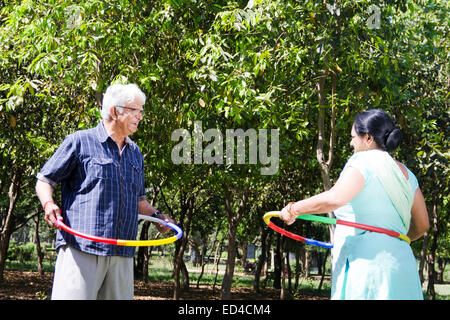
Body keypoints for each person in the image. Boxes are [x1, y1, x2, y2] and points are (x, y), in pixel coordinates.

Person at [35, 83, 174, 300]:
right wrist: (48, 204)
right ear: (114, 111)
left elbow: (139, 200)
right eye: (135, 110)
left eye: (141, 111)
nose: (141, 116)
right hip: (82, 248)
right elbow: (45, 180)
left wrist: (157, 217)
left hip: (122, 253)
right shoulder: (79, 142)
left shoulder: (135, 153)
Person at [280, 109, 429, 300]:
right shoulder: (408, 174)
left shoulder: (363, 161)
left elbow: (335, 198)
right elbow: (423, 225)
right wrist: (392, 239)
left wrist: (294, 209)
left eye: (353, 137)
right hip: (402, 267)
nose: (351, 142)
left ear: (368, 138)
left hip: (368, 268)